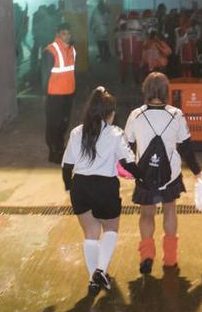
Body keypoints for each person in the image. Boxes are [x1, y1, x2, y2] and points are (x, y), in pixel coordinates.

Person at [124, 73, 202, 275]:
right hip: (170, 174)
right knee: (169, 210)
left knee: (146, 213)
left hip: (145, 173)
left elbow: (126, 145)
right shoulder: (176, 114)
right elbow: (186, 148)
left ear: (146, 90)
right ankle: (170, 259)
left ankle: (147, 255)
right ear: (166, 91)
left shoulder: (136, 115)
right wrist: (197, 171)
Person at [61, 87, 139, 296]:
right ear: (109, 113)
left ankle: (93, 280)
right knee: (111, 230)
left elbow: (67, 166)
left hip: (80, 186)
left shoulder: (77, 132)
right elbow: (128, 163)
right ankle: (100, 270)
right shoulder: (115, 133)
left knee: (91, 234)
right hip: (105, 187)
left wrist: (70, 188)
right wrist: (143, 177)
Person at [42, 23, 77, 164]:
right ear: (58, 34)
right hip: (54, 95)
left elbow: (72, 71)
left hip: (68, 93)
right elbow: (44, 76)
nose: (67, 36)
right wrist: (45, 95)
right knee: (53, 123)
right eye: (64, 34)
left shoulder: (72, 50)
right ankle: (53, 152)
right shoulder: (50, 50)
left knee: (64, 123)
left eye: (68, 33)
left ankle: (60, 148)